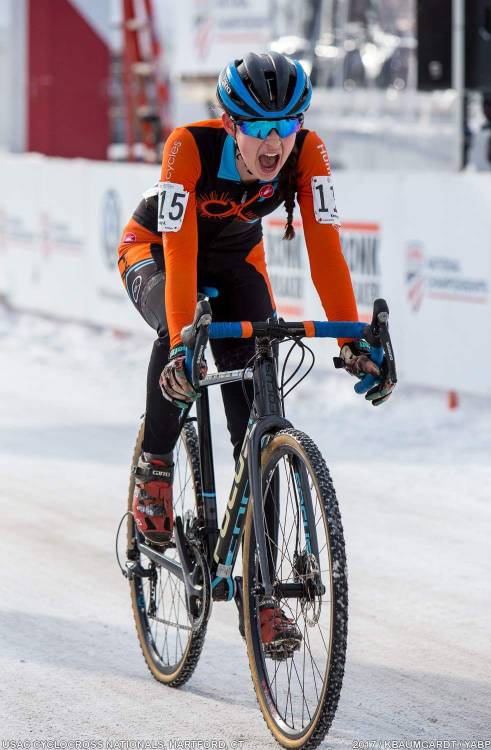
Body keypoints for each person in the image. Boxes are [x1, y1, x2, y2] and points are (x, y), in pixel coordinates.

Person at [117, 51, 394, 653]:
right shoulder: (187, 147)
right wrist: (187, 341)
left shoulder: (308, 154)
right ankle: (156, 471)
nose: (275, 145)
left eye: (287, 128)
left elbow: (324, 248)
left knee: (258, 436)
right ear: (231, 123)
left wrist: (352, 338)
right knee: (177, 334)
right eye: (260, 129)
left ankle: (260, 593)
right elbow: (180, 244)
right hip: (160, 253)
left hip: (238, 261)